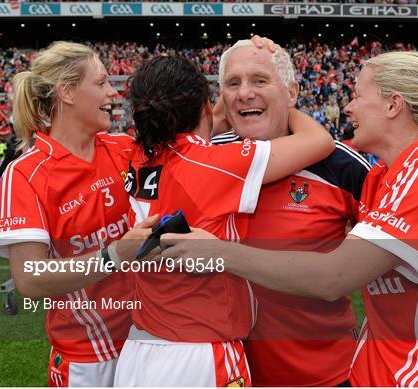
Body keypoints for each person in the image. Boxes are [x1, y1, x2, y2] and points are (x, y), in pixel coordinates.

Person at [161, 51, 418, 386]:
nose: (347, 107)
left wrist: (218, 253)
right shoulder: (383, 173)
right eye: (232, 83)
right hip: (233, 369)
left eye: (356, 95)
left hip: (406, 375)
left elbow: (336, 275)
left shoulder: (394, 169)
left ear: (393, 104)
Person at [113, 52, 334, 387]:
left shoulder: (135, 155)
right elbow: (319, 141)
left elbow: (199, 124)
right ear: (205, 107)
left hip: (138, 350)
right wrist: (282, 98)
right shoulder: (217, 163)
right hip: (199, 352)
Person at [0, 41, 156, 387]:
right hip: (88, 361)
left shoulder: (125, 148)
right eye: (102, 83)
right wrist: (114, 255)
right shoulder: (26, 175)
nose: (113, 92)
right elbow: (30, 279)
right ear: (67, 92)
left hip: (150, 341)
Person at [211, 39, 370, 387]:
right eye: (232, 83)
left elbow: (402, 245)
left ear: (292, 91)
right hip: (226, 374)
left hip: (325, 376)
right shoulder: (205, 159)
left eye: (260, 80)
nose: (245, 93)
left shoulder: (340, 166)